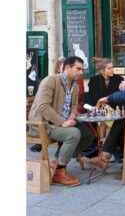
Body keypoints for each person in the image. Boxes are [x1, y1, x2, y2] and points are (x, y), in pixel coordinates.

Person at [27, 56, 95, 187]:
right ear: (67, 68)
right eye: (78, 69)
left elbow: (75, 105)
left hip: (60, 122)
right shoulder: (50, 81)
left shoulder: (74, 84)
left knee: (88, 134)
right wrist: (62, 122)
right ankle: (59, 172)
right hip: (43, 125)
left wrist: (71, 115)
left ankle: (58, 161)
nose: (81, 72)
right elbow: (43, 107)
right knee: (74, 134)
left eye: (82, 69)